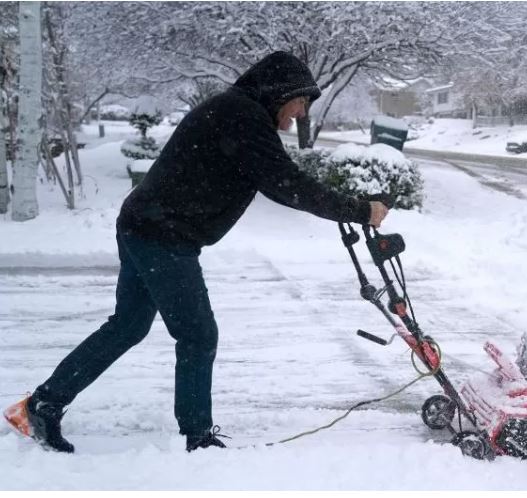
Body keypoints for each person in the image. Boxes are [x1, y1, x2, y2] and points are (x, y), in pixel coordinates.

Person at [2, 51, 389, 453]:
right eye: (301, 103)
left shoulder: (237, 112)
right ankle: (197, 436)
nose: (301, 114)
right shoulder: (242, 117)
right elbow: (287, 184)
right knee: (198, 335)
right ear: (282, 92)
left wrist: (350, 207)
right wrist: (360, 210)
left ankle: (43, 405)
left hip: (145, 224)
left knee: (128, 326)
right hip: (163, 236)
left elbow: (283, 179)